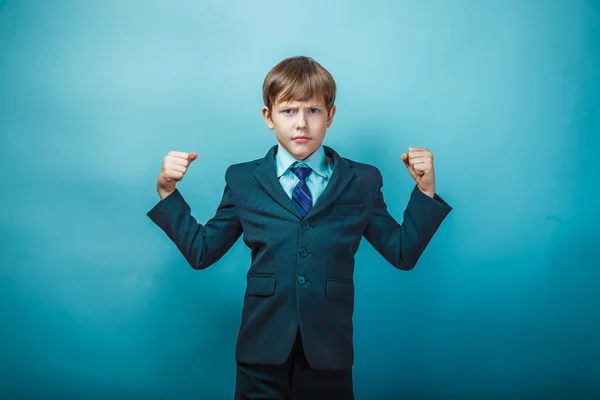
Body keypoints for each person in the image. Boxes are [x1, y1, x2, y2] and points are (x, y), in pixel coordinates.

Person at [146, 56, 453, 399]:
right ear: (269, 117)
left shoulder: (362, 180)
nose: (301, 124)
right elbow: (201, 251)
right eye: (289, 111)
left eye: (314, 111)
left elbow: (402, 251)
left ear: (330, 116)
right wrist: (167, 193)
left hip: (328, 355)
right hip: (260, 352)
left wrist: (425, 191)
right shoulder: (243, 179)